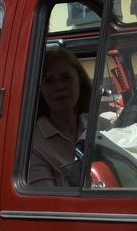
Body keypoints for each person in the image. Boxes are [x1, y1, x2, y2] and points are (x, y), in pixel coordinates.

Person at [26, 49, 92, 187]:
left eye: (66, 77)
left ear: (80, 81)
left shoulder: (102, 128)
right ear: (40, 91)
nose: (59, 87)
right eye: (49, 81)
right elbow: (46, 202)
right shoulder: (30, 144)